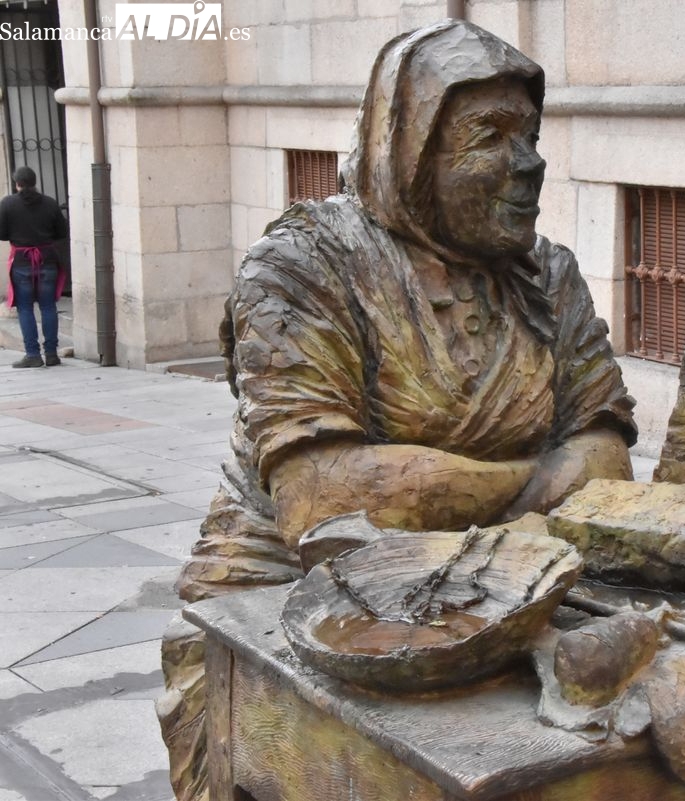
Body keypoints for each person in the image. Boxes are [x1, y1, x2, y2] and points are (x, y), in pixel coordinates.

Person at [157, 20, 637, 801]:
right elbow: (325, 498)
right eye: (491, 136)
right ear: (411, 151)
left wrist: (443, 496)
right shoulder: (302, 265)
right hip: (288, 589)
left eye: (532, 134)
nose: (530, 164)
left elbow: (607, 455)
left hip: (514, 578)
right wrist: (541, 481)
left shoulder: (548, 275)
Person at [0, 166, 68, 368]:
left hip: (22, 260)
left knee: (25, 308)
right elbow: (61, 231)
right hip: (47, 258)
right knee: (48, 306)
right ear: (35, 181)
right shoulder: (49, 203)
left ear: (17, 183)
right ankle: (52, 353)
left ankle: (32, 354)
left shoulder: (8, 204)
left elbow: (2, 234)